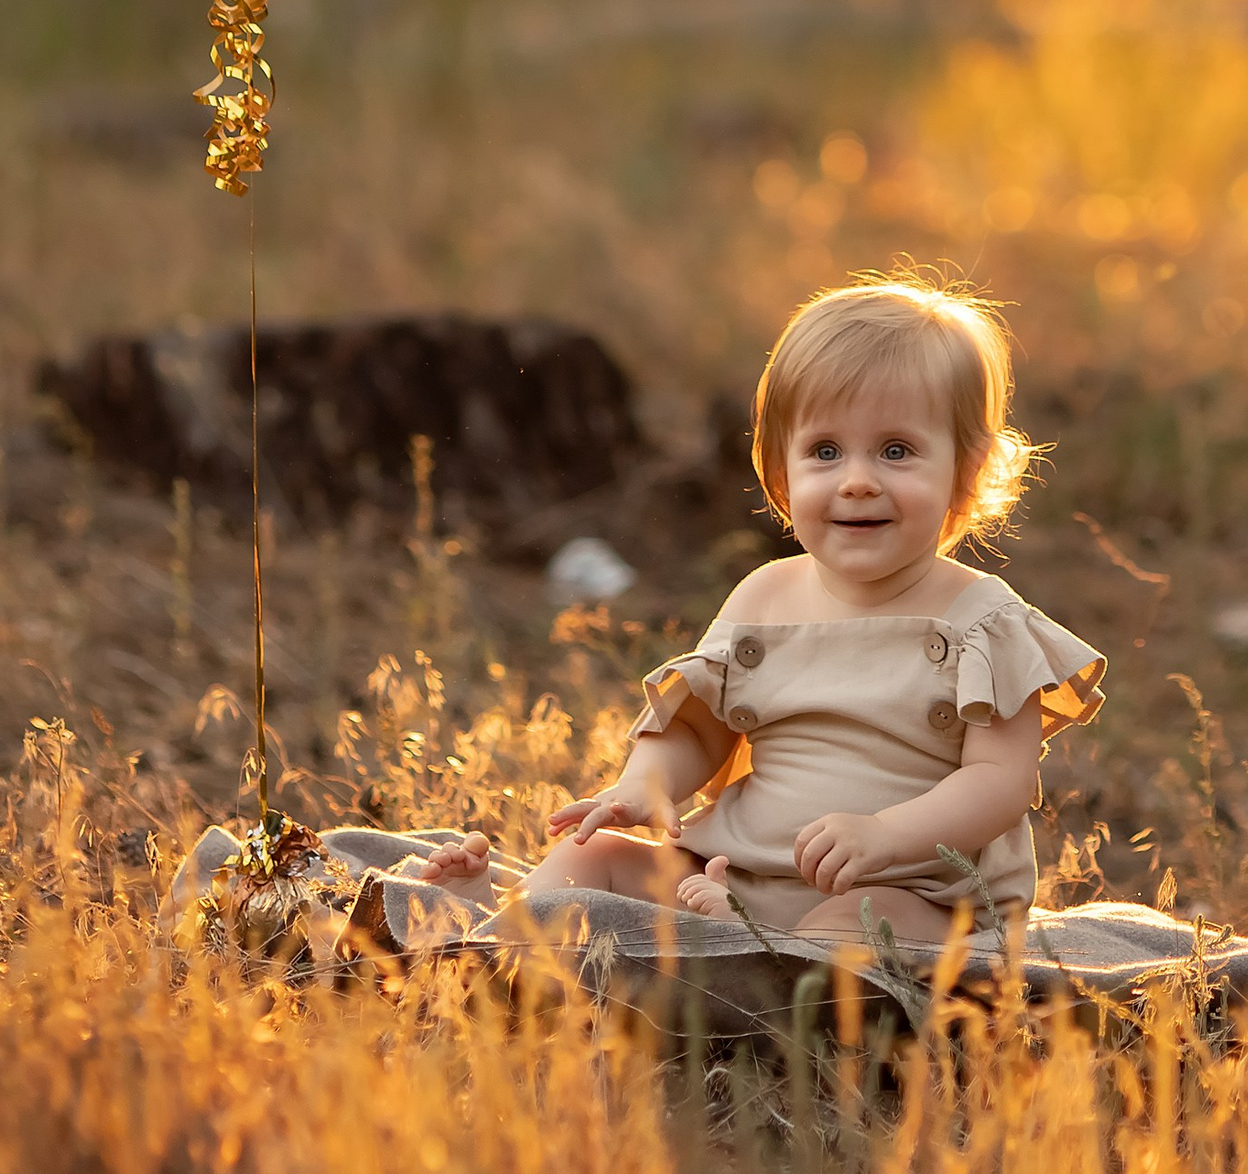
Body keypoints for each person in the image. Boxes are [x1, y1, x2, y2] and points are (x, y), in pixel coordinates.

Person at [435, 275, 1104, 947]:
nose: (858, 478)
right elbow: (697, 726)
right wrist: (645, 785)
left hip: (909, 888)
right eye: (825, 451)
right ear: (780, 471)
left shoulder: (983, 619)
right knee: (592, 858)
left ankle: (757, 961)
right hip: (736, 869)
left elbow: (1000, 779)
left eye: (896, 450)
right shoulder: (762, 598)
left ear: (968, 469)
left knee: (860, 927)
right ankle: (490, 933)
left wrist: (885, 835)